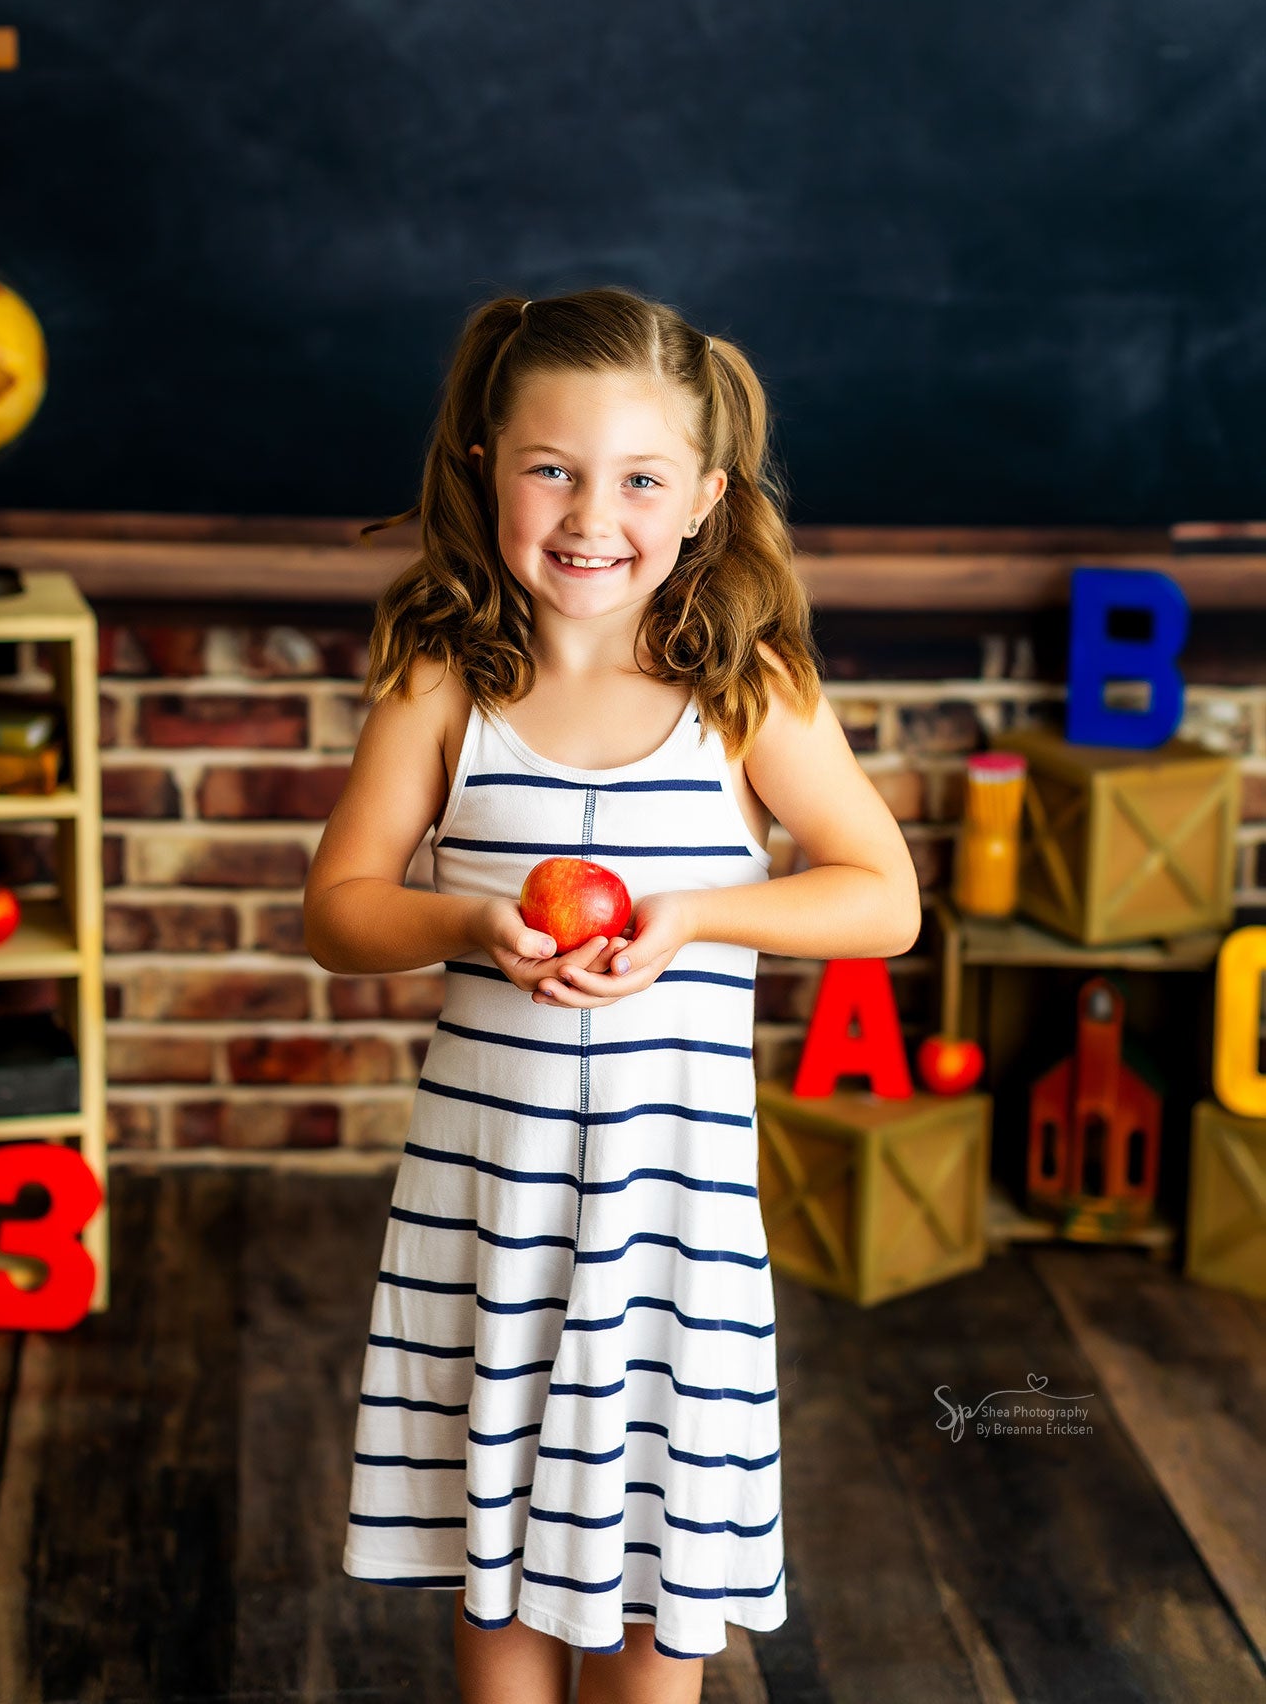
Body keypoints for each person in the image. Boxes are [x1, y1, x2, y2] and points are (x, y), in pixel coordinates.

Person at [305, 287, 921, 1704]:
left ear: (704, 498)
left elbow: (879, 897)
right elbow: (337, 910)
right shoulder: (442, 681)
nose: (594, 514)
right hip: (493, 1208)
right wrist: (468, 921)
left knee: (660, 1575)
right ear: (482, 466)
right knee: (495, 1547)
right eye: (552, 470)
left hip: (673, 1222)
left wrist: (695, 917)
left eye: (641, 478)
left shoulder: (742, 690)